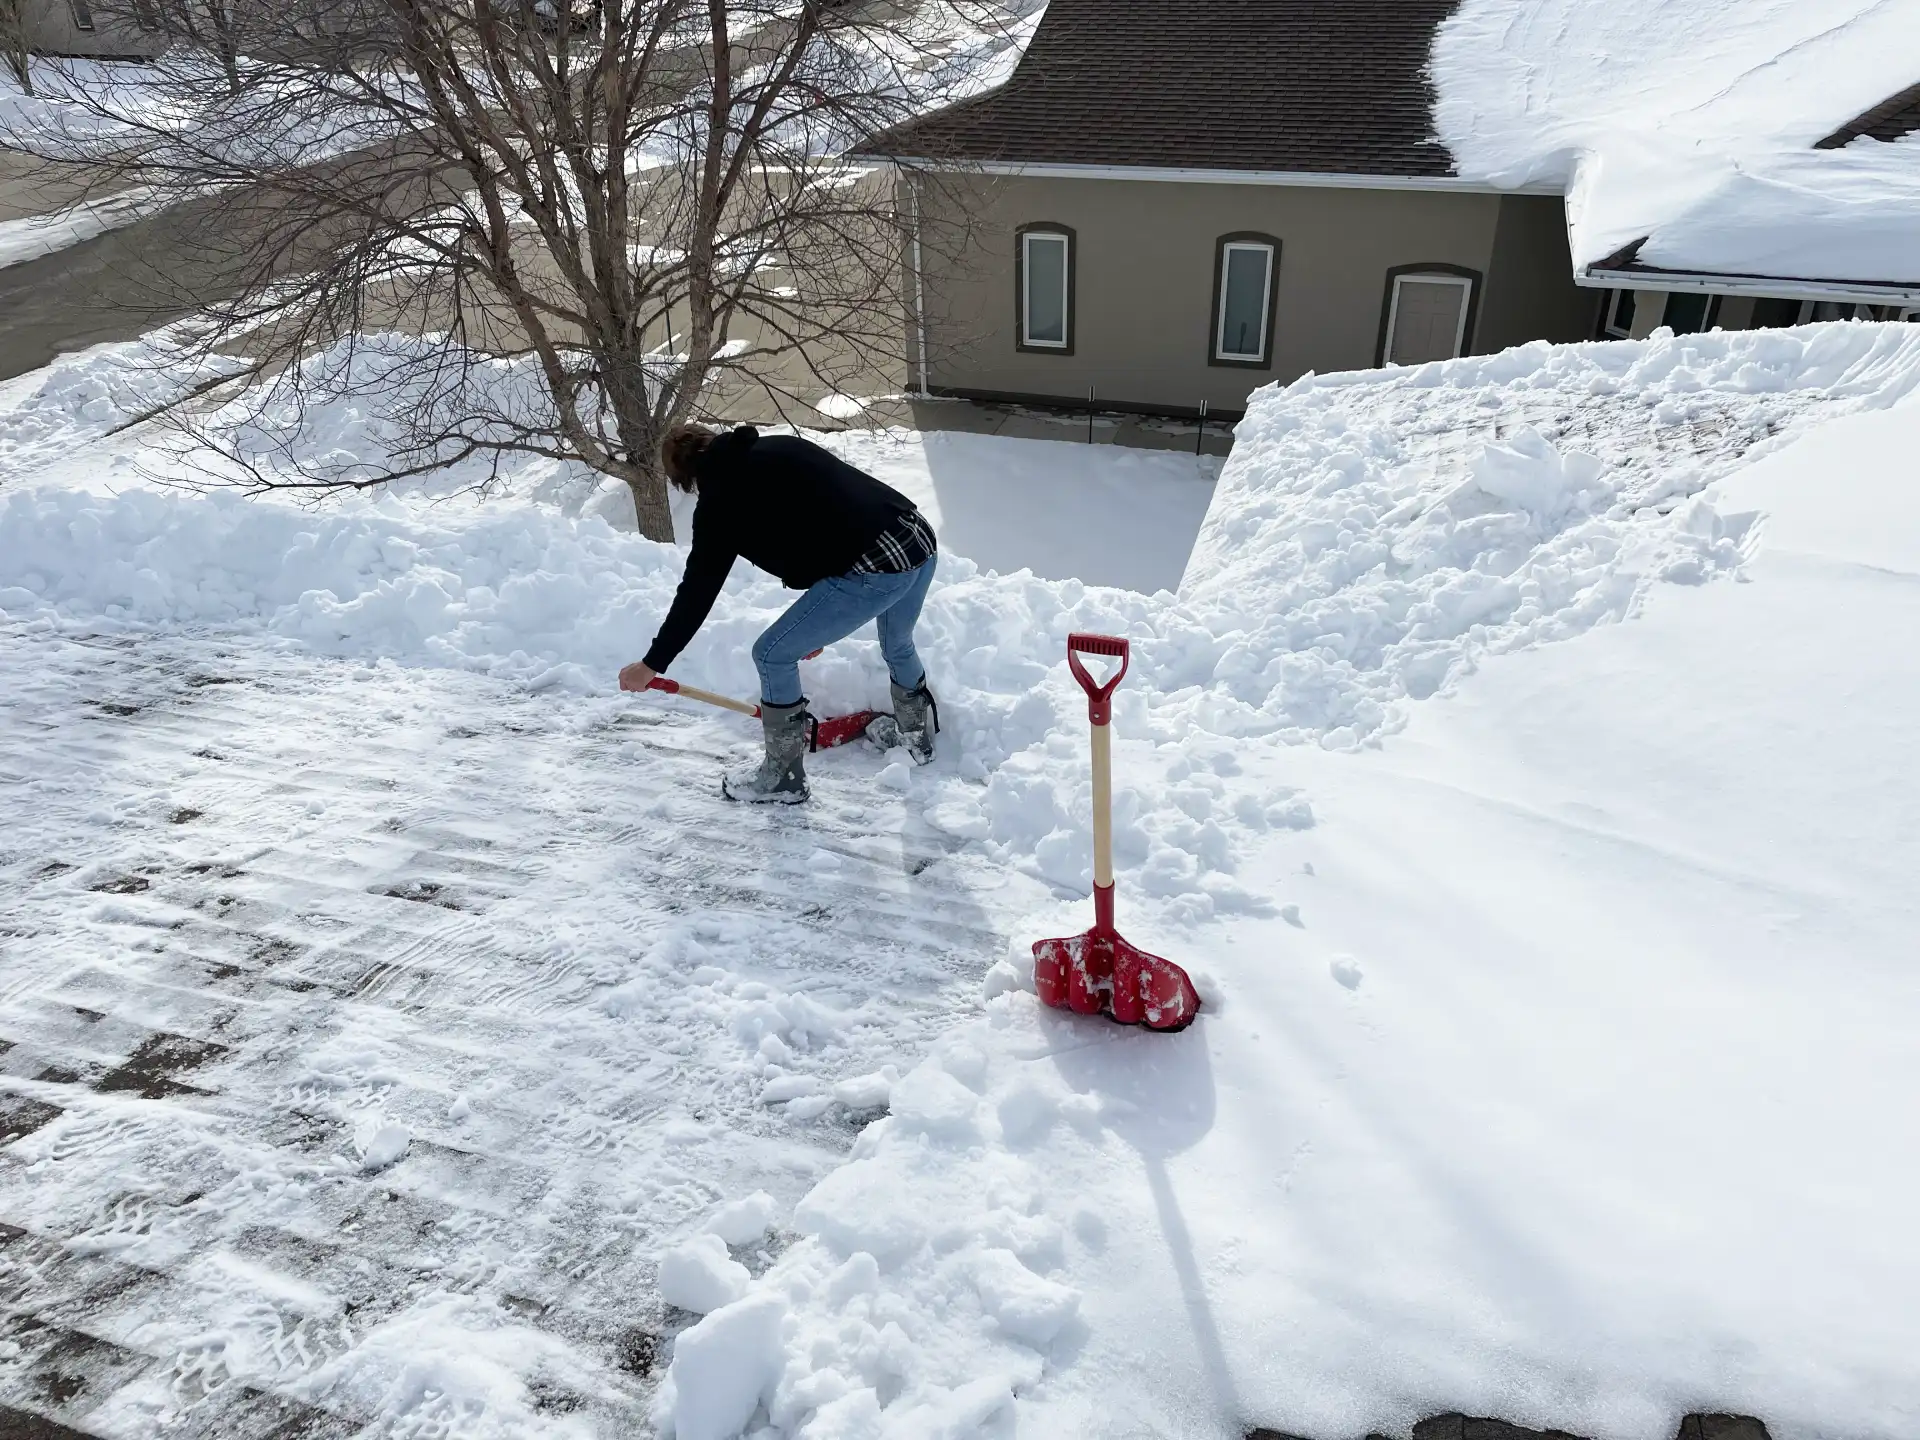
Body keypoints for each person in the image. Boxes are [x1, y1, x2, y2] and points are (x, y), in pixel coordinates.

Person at [617, 423, 939, 804]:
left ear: (686, 476)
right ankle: (915, 737)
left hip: (880, 566)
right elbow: (828, 510)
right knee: (898, 642)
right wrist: (817, 624)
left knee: (772, 654)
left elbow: (697, 592)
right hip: (915, 537)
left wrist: (653, 662)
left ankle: (782, 777)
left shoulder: (721, 503)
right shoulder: (779, 447)